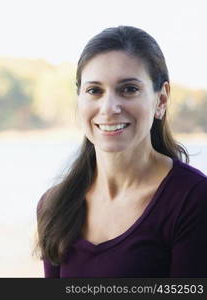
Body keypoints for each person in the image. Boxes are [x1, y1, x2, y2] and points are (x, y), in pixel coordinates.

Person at [36, 26, 207, 278]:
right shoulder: (54, 205)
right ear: (80, 99)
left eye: (128, 89)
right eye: (94, 90)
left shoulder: (193, 200)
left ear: (160, 100)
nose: (109, 108)